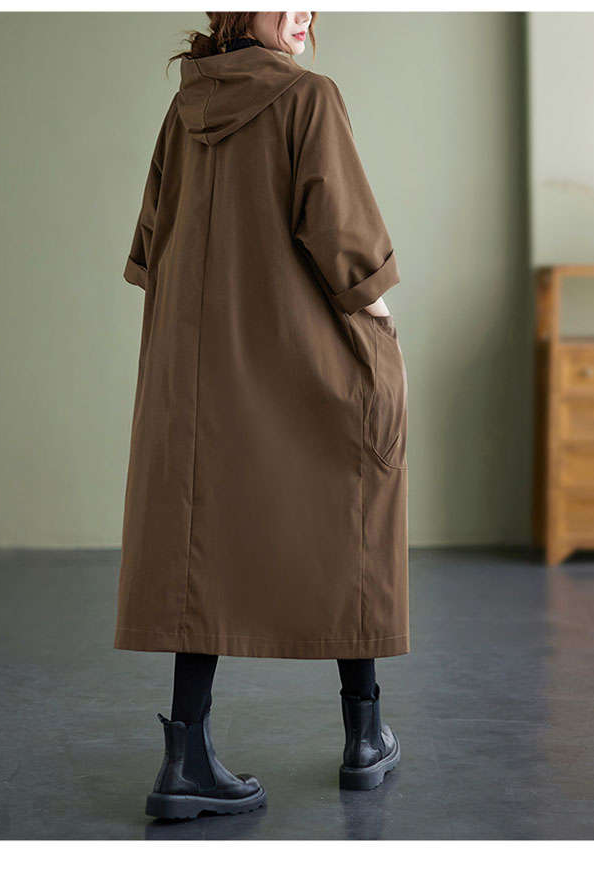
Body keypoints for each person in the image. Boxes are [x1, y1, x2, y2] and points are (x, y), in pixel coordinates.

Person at [115, 11, 409, 820]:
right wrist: (382, 318)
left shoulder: (185, 107)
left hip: (195, 371)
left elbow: (151, 242)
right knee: (352, 507)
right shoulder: (308, 97)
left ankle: (185, 756)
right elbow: (343, 235)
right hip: (296, 353)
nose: (306, 13)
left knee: (198, 536)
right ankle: (364, 735)